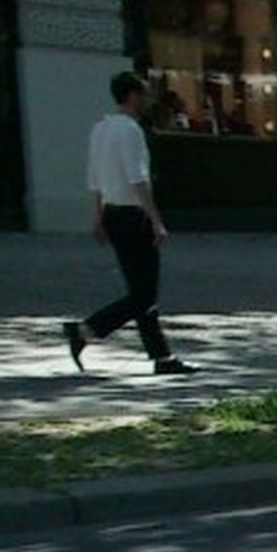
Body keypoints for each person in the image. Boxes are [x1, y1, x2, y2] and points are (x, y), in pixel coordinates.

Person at [65, 71, 194, 375]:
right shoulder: (131, 131)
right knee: (144, 293)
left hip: (112, 213)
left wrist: (97, 217)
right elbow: (138, 180)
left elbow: (94, 178)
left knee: (141, 291)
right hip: (134, 215)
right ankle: (86, 330)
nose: (147, 100)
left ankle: (161, 357)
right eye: (144, 94)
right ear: (133, 96)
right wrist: (156, 220)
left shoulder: (100, 129)